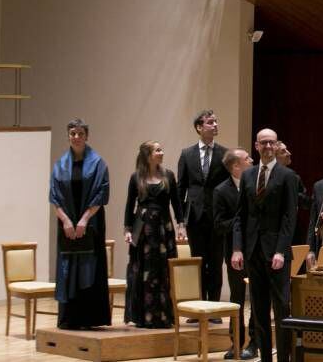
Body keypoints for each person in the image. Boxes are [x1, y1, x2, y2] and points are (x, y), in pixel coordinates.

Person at [232, 128, 298, 362]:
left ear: (276, 144)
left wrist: (281, 250)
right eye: (264, 143)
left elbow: (289, 217)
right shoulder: (248, 175)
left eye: (272, 143)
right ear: (257, 146)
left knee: (281, 309)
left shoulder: (288, 176)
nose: (268, 147)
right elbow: (240, 215)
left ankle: (283, 359)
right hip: (253, 252)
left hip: (277, 254)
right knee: (258, 311)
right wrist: (237, 248)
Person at [49, 118, 111, 330]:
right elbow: (54, 196)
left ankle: (88, 319)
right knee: (68, 268)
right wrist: (66, 220)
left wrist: (84, 219)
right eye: (72, 133)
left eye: (80, 134)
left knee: (88, 267)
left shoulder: (98, 163)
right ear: (68, 136)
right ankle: (69, 319)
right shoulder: (59, 165)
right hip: (66, 225)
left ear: (86, 136)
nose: (76, 137)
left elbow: (102, 193)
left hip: (91, 223)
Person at [123, 140, 185, 328]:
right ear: (148, 155)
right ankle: (144, 316)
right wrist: (127, 229)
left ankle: (164, 316)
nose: (161, 152)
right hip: (143, 229)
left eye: (161, 149)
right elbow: (129, 206)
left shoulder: (169, 176)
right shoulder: (136, 178)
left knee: (163, 270)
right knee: (144, 271)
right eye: (158, 150)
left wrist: (181, 225)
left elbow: (176, 203)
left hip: (163, 228)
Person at [177, 110, 230, 302]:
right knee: (198, 262)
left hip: (217, 217)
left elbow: (228, 186)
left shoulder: (224, 154)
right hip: (194, 217)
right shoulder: (187, 154)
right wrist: (180, 221)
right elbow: (180, 189)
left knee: (215, 263)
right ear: (199, 127)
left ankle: (214, 306)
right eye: (210, 122)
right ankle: (198, 305)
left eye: (216, 122)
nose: (215, 125)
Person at [214, 148, 259, 360]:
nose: (252, 160)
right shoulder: (221, 191)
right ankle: (236, 343)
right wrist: (241, 222)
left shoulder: (257, 184)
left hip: (257, 250)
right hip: (234, 252)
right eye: (247, 158)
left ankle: (255, 343)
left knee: (258, 298)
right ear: (236, 166)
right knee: (237, 298)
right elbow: (219, 225)